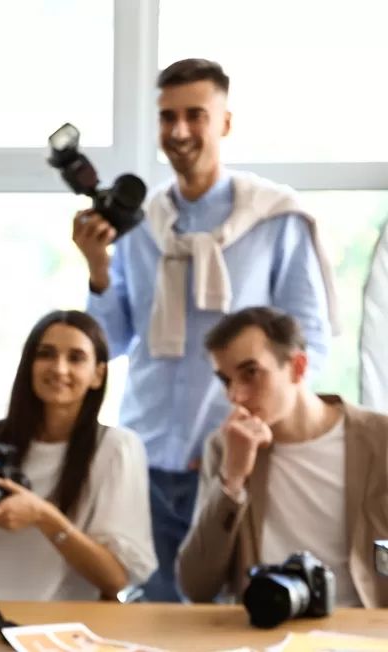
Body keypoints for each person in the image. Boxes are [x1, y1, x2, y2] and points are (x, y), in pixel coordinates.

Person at [73, 58, 339, 602]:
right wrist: (98, 268)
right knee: (151, 614)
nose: (179, 131)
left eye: (196, 115)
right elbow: (115, 342)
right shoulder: (140, 226)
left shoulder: (275, 220)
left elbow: (307, 341)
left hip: (236, 453)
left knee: (227, 611)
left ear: (225, 122)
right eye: (167, 117)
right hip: (146, 452)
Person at [0, 311, 156, 601]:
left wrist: (44, 516)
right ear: (29, 365)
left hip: (56, 618)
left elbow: (114, 580)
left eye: (75, 358)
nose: (59, 369)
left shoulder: (117, 448)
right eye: (46, 354)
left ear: (98, 374)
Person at [177, 307, 388, 607]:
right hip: (262, 631)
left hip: (361, 629)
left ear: (298, 367)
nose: (235, 396)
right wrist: (232, 480)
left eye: (250, 374)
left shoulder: (379, 440)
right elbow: (196, 586)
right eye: (226, 380)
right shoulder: (227, 446)